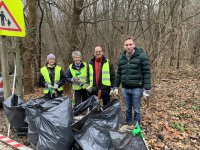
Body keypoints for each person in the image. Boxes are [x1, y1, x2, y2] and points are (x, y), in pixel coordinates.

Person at [114, 36, 151, 125]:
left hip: (137, 88)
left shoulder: (141, 56)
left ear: (134, 45)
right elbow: (119, 73)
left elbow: (146, 72)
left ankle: (137, 127)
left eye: (130, 44)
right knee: (127, 109)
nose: (128, 46)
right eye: (126, 45)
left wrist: (147, 89)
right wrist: (115, 86)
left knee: (137, 109)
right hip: (125, 88)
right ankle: (129, 125)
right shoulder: (121, 58)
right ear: (124, 46)